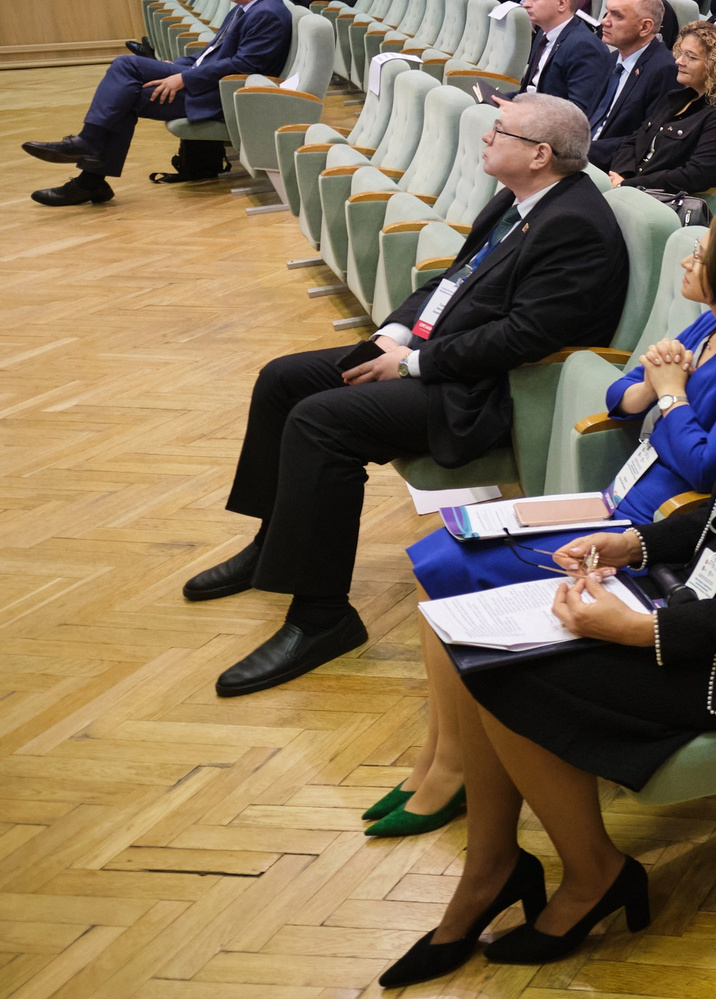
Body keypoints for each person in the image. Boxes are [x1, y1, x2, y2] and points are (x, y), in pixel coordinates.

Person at [380, 258, 716, 986]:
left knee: (503, 671)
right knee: (466, 636)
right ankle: (493, 865)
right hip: (691, 610)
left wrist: (644, 633)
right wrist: (631, 543)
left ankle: (589, 873)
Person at [377, 210, 716, 840]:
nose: (687, 259)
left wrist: (669, 393)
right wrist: (652, 390)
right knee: (438, 560)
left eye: (702, 254)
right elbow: (620, 394)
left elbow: (707, 464)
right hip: (612, 502)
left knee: (446, 571)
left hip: (649, 521)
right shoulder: (706, 326)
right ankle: (439, 757)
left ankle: (452, 767)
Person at [184, 95, 630, 697]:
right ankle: (272, 542)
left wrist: (413, 363)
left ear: (540, 155)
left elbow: (525, 337)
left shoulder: (574, 225)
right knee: (283, 379)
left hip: (487, 393)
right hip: (438, 357)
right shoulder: (517, 199)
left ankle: (322, 617)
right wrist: (393, 335)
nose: (486, 137)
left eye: (500, 131)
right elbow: (452, 282)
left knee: (321, 421)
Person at [25, 0, 293, 203]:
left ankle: (89, 163)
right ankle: (90, 169)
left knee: (126, 70)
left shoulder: (267, 14)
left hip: (222, 95)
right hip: (207, 81)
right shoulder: (246, 8)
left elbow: (244, 65)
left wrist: (183, 78)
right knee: (124, 91)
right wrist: (177, 65)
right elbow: (211, 53)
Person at [603, 23, 716, 200]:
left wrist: (628, 185)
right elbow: (634, 142)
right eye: (681, 53)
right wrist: (621, 176)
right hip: (629, 189)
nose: (679, 61)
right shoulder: (676, 99)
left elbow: (694, 176)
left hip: (662, 202)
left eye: (690, 57)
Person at [589, 0, 678, 150]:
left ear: (645, 27)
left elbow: (645, 139)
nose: (604, 22)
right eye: (607, 12)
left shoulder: (665, 70)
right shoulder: (612, 58)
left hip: (610, 159)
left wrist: (584, 150)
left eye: (617, 15)